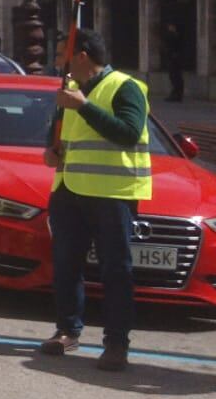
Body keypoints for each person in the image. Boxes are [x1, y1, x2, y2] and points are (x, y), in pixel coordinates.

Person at [43, 29, 151, 371]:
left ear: (82, 57)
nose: (58, 62)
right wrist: (51, 149)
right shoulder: (69, 91)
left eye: (62, 55)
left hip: (111, 195)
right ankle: (67, 330)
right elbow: (58, 132)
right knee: (66, 265)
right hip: (69, 190)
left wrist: (85, 107)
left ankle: (116, 343)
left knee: (116, 270)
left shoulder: (125, 87)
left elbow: (129, 133)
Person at [162, 21, 186, 103]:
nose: (169, 28)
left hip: (175, 59)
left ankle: (177, 94)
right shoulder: (171, 35)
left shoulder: (177, 36)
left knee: (176, 77)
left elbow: (177, 47)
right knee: (173, 76)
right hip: (172, 59)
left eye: (171, 26)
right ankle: (175, 94)